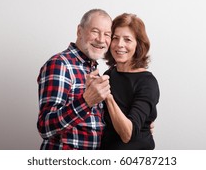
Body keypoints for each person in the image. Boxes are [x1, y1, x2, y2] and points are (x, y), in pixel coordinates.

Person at [37, 9, 112, 149]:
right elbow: (45, 126)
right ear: (79, 31)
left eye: (107, 34)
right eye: (95, 31)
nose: (101, 39)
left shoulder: (92, 70)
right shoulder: (60, 64)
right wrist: (86, 101)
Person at [100, 13, 160, 149]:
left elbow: (128, 134)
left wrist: (108, 98)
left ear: (138, 44)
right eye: (115, 38)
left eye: (127, 39)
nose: (119, 45)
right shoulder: (108, 75)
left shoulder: (147, 82)